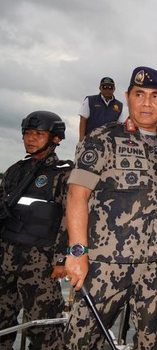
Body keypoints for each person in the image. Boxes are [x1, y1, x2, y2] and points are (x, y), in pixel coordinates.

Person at [64, 66, 157, 349]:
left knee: (156, 343)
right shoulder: (103, 138)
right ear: (127, 97)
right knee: (83, 341)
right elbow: (76, 195)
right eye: (139, 94)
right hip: (105, 264)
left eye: (155, 96)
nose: (146, 102)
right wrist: (77, 252)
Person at [0, 111, 72, 350]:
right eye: (28, 133)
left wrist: (61, 259)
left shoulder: (63, 174)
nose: (30, 139)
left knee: (44, 328)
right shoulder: (13, 171)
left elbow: (68, 219)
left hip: (39, 262)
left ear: (55, 139)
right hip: (6, 256)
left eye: (38, 134)